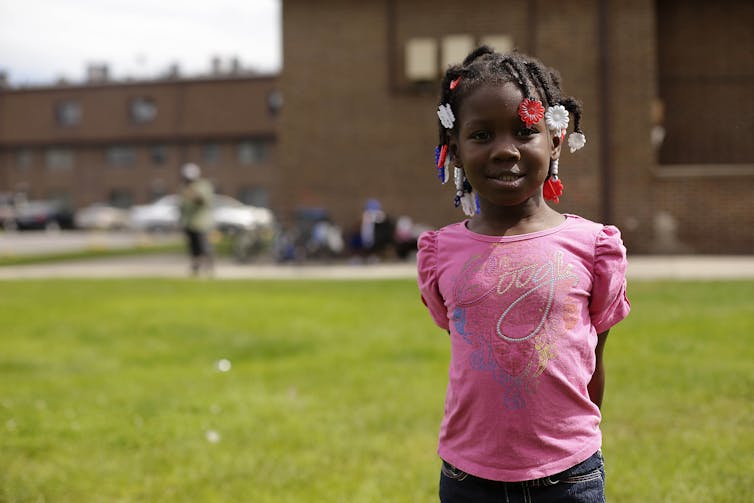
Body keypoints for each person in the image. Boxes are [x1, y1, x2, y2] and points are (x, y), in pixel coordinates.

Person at [417, 46, 630, 502]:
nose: (505, 150)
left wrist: (571, 435)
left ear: (554, 140)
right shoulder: (441, 252)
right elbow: (465, 340)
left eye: (524, 130)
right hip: (468, 479)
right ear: (453, 151)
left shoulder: (593, 247)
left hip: (570, 476)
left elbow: (595, 350)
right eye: (482, 135)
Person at [178, 162, 214, 276]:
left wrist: (192, 193)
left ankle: (209, 268)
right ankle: (196, 268)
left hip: (201, 222)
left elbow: (202, 200)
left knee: (204, 246)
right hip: (189, 223)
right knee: (193, 248)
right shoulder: (184, 187)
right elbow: (182, 206)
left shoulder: (203, 185)